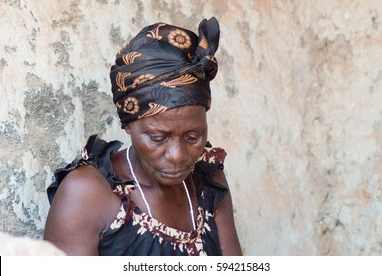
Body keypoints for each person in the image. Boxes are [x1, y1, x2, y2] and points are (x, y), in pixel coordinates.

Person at [44, 17, 242, 256]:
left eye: (193, 136)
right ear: (129, 126)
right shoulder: (88, 195)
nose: (178, 156)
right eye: (158, 138)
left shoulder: (208, 179)